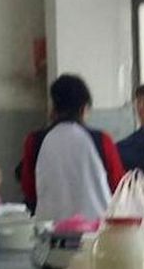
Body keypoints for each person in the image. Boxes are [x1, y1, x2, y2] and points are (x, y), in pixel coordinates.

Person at [19, 74, 125, 220]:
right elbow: (119, 187)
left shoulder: (34, 141)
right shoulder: (101, 140)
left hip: (50, 227)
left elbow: (29, 189)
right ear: (84, 109)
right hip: (97, 228)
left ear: (53, 108)